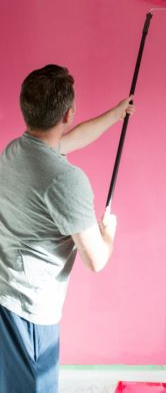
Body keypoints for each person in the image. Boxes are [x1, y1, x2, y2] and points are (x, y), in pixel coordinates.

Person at [0, 64, 135, 392]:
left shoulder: (15, 151)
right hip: (29, 314)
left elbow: (69, 140)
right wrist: (109, 233)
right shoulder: (65, 180)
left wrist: (116, 114)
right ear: (68, 113)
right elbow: (96, 260)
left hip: (6, 298)